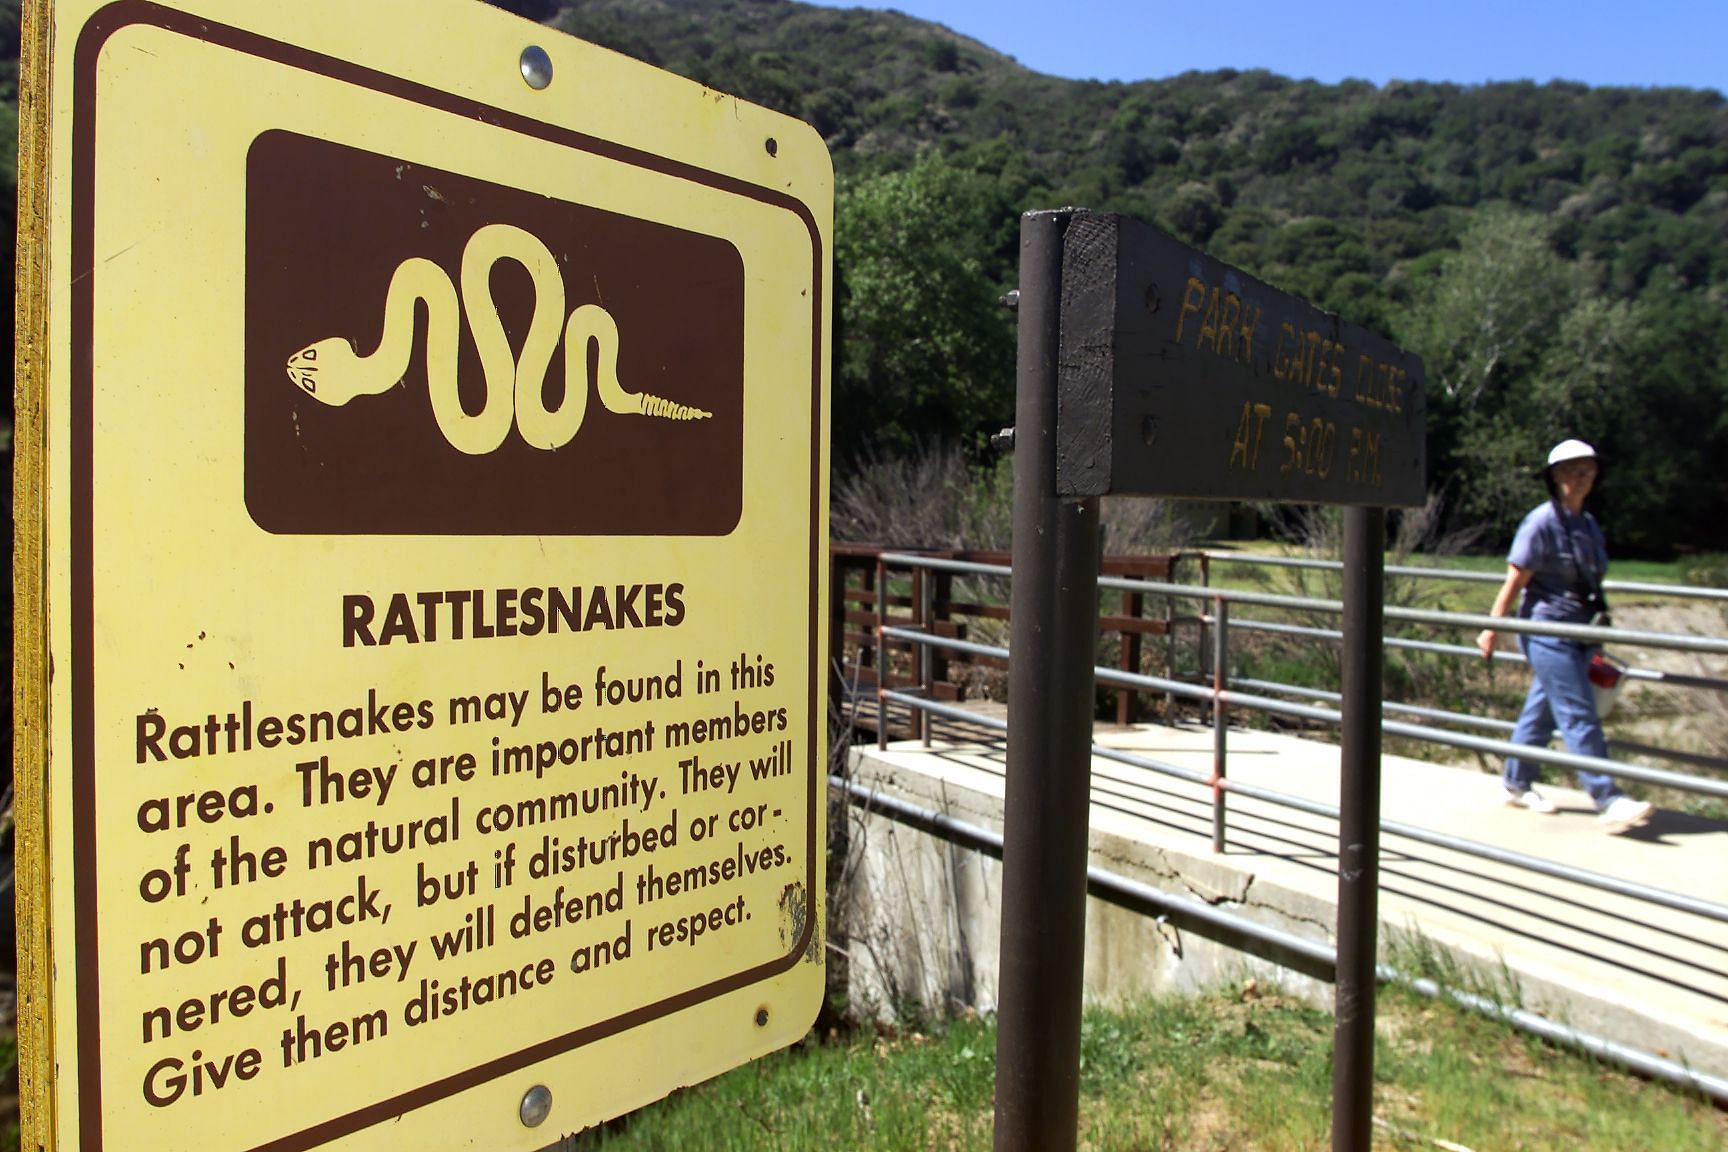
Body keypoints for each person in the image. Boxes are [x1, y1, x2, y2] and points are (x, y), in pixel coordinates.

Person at [1475, 439, 1653, 834]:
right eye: (1574, 470)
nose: (1582, 478)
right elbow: (1514, 581)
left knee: (1542, 711)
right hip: (1546, 632)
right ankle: (1607, 797)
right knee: (1578, 713)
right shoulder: (1541, 522)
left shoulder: (1587, 524)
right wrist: (1493, 627)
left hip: (1580, 631)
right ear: (1555, 477)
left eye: (1588, 470)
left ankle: (1515, 782)